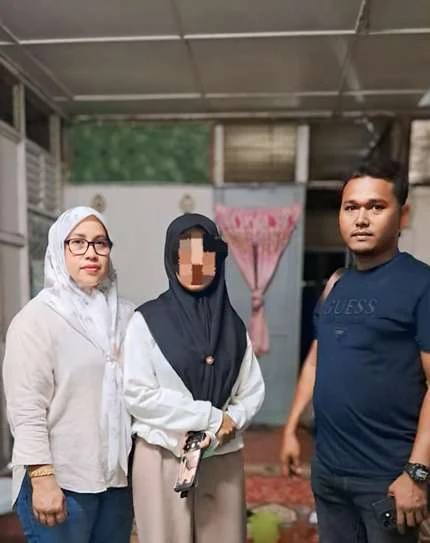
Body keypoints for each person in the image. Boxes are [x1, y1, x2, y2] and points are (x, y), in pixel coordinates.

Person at [280, 158, 430, 543]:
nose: (361, 219)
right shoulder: (336, 284)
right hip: (329, 473)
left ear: (402, 215)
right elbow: (316, 360)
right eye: (351, 208)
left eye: (375, 207)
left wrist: (417, 472)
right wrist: (291, 427)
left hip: (387, 478)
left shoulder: (421, 284)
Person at [123, 213, 265, 543]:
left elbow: (252, 389)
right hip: (163, 457)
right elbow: (139, 395)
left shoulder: (233, 326)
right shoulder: (146, 321)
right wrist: (211, 417)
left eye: (206, 255)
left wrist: (232, 420)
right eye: (186, 255)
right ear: (172, 259)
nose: (196, 265)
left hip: (222, 455)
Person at [3, 207, 134, 543]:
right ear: (58, 250)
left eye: (100, 243)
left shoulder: (126, 316)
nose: (91, 253)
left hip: (116, 480)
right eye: (77, 242)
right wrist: (42, 477)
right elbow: (26, 408)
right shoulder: (36, 320)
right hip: (61, 480)